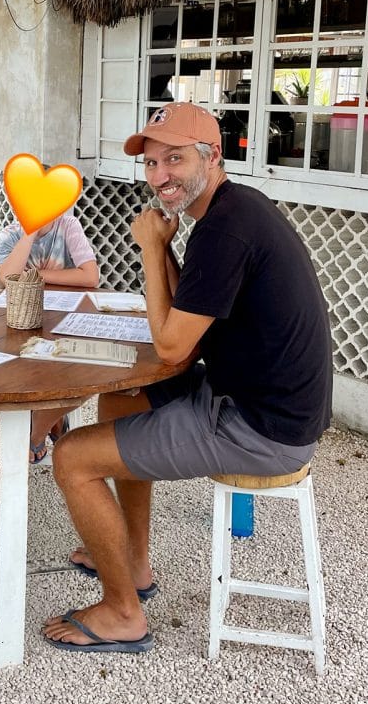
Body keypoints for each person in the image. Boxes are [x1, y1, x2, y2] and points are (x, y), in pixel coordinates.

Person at [43, 102, 332, 653]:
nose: (160, 177)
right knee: (126, 397)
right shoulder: (228, 213)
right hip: (256, 399)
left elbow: (173, 345)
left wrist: (153, 248)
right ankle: (135, 563)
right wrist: (168, 248)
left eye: (173, 160)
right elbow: (185, 322)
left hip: (262, 427)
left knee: (71, 459)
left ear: (212, 155)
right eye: (151, 165)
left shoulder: (226, 231)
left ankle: (123, 612)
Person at [0, 212, 100, 464]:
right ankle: (51, 421)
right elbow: (6, 278)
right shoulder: (10, 232)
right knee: (14, 370)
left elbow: (90, 276)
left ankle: (37, 432)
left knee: (84, 377)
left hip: (65, 318)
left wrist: (36, 276)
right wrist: (30, 231)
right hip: (22, 320)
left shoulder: (68, 225)